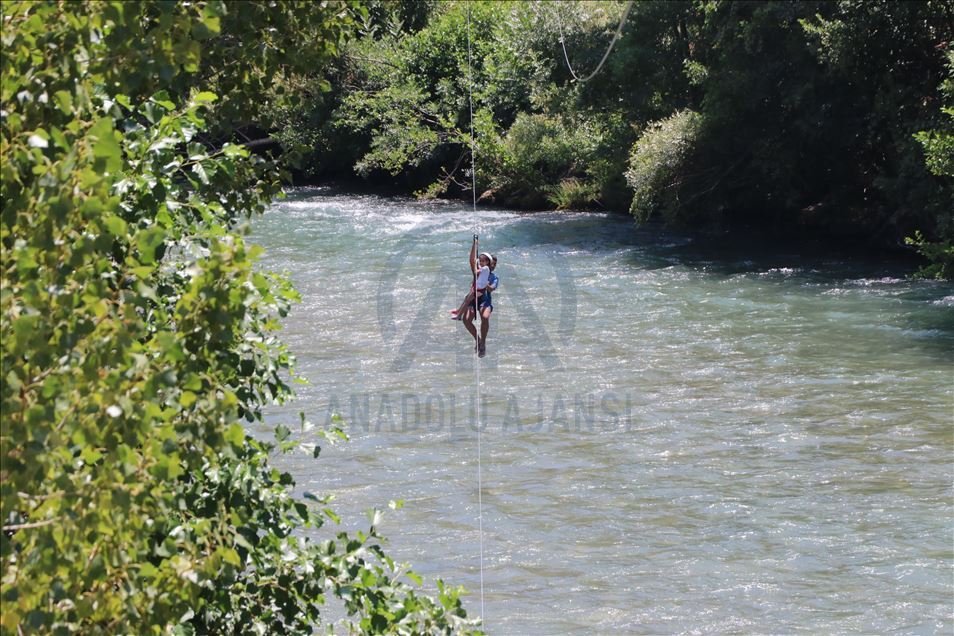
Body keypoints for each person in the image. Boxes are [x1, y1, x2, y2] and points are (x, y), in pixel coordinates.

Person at [460, 241, 498, 358]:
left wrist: (486, 285)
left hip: (485, 299)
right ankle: (478, 339)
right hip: (473, 299)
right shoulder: (477, 272)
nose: (493, 266)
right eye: (492, 263)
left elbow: (491, 289)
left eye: (494, 264)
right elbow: (471, 260)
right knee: (466, 320)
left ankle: (483, 343)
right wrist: (474, 245)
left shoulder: (494, 277)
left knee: (485, 317)